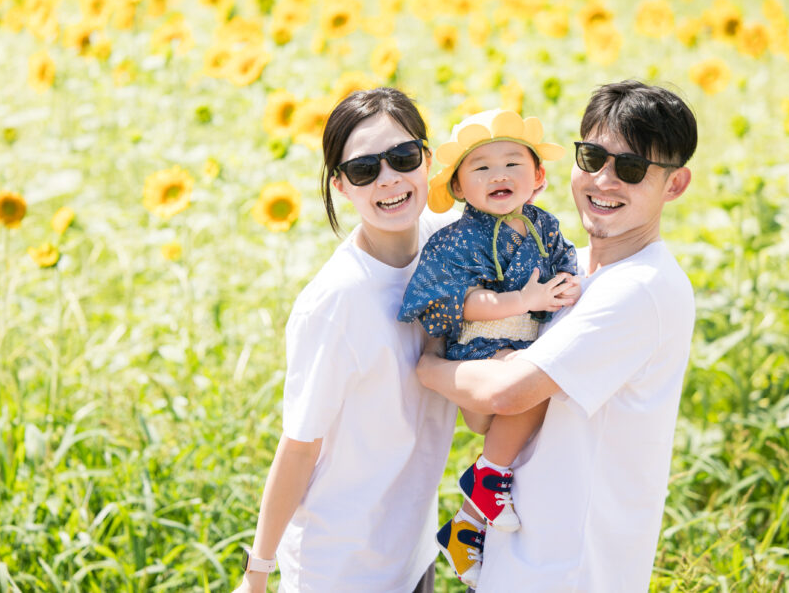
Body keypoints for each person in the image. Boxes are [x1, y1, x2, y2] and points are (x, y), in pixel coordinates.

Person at [415, 80, 697, 591]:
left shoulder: (640, 289)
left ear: (675, 185)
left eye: (630, 169)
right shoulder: (576, 269)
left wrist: (429, 365)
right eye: (592, 157)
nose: (603, 181)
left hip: (571, 568)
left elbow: (504, 393)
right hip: (524, 549)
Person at [232, 87, 487, 593]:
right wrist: (257, 574)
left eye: (403, 157)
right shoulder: (336, 302)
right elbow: (299, 448)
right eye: (364, 169)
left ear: (428, 161)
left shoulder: (449, 244)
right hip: (341, 568)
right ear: (341, 186)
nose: (389, 179)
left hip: (412, 554)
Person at [397, 108, 580, 586]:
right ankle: (486, 477)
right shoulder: (460, 238)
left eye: (513, 164)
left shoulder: (544, 224)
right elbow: (459, 301)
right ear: (459, 187)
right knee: (523, 384)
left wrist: (568, 287)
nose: (499, 174)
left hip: (524, 338)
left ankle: (467, 523)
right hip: (480, 348)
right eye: (481, 168)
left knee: (529, 404)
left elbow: (567, 265)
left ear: (537, 177)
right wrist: (524, 299)